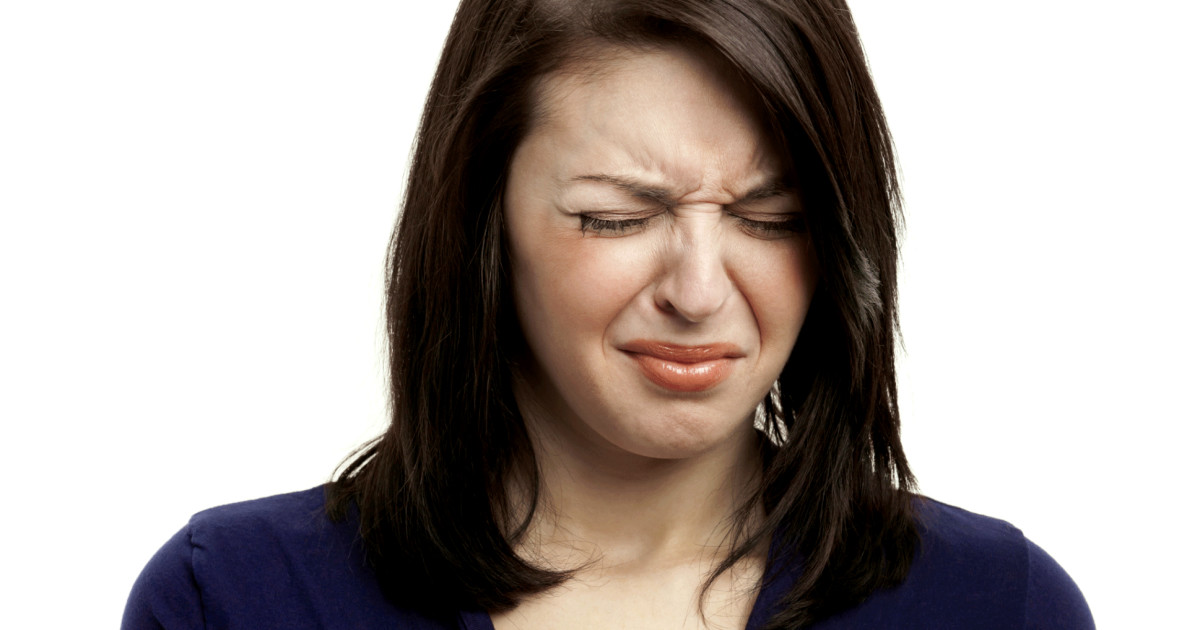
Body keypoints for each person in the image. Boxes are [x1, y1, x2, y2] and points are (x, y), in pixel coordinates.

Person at [122, 0, 1094, 628]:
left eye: (771, 219)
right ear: (481, 219)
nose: (699, 291)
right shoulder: (232, 600)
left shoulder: (998, 607)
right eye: (616, 218)